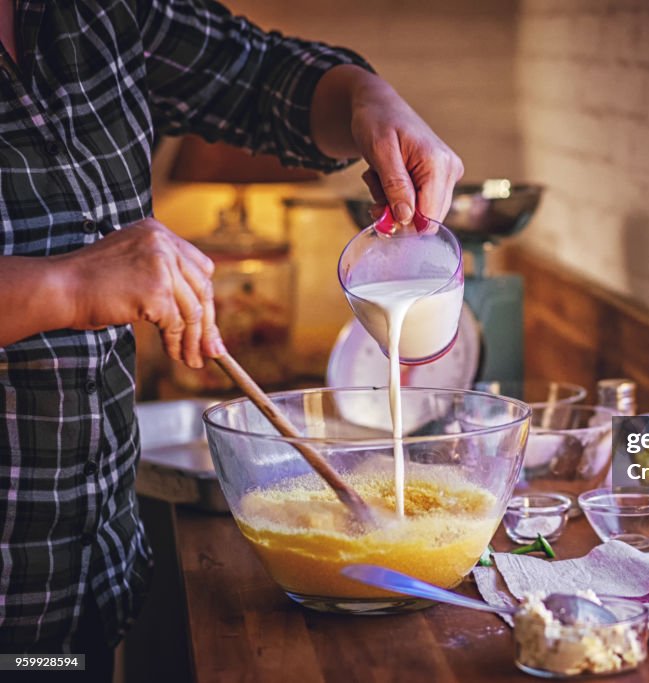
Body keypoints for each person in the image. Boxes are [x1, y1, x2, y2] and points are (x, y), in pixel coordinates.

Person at [0, 0, 462, 677]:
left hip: (78, 587)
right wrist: (66, 286)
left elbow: (259, 76)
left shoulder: (99, 11)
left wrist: (370, 100)